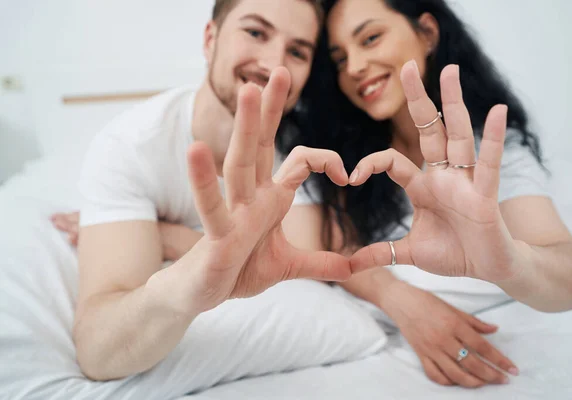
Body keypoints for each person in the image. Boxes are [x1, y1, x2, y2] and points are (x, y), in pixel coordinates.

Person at [272, 0, 572, 388]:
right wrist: (401, 301)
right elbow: (331, 244)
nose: (355, 67)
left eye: (371, 38)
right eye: (340, 60)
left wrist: (511, 265)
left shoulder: (489, 153)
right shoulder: (345, 147)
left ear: (427, 31)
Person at [60, 0, 370, 382]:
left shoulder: (303, 147)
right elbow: (98, 352)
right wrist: (184, 288)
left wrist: (166, 236)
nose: (274, 64)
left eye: (297, 51)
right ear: (210, 39)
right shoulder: (131, 147)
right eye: (256, 32)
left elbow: (308, 261)